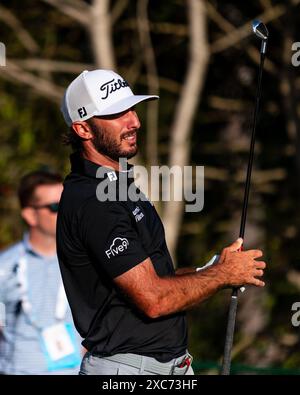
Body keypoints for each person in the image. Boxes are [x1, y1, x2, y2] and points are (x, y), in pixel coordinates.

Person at [57, 69, 266, 375]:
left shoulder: (117, 185)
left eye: (132, 109)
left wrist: (210, 269)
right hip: (128, 371)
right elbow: (153, 298)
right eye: (117, 113)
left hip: (168, 367)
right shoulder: (93, 201)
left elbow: (157, 277)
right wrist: (222, 275)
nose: (134, 122)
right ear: (83, 130)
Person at [0, 171, 82, 375]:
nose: (65, 211)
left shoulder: (86, 262)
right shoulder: (4, 265)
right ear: (30, 215)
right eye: (55, 207)